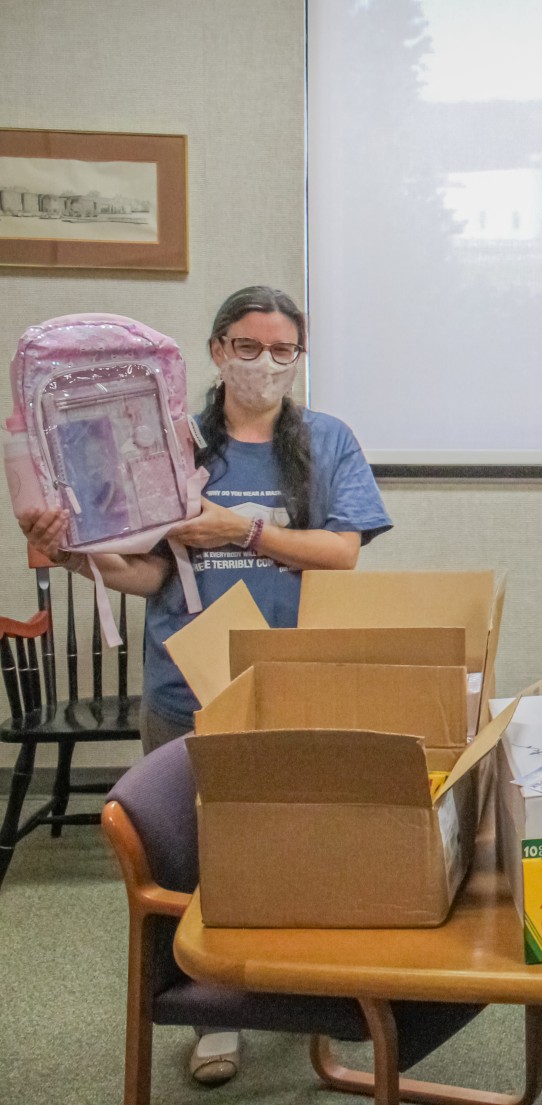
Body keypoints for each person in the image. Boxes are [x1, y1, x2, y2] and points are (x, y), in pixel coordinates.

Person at [15, 286, 391, 1084]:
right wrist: (81, 550)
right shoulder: (166, 440)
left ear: (299, 357)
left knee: (305, 845)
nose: (263, 363)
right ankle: (212, 1012)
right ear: (216, 350)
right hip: (186, 681)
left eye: (281, 349)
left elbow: (342, 553)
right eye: (246, 346)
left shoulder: (326, 441)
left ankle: (311, 991)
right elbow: (147, 568)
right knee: (193, 850)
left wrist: (240, 528)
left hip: (296, 680)